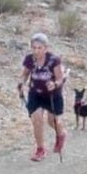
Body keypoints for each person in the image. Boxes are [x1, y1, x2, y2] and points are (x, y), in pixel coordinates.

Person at [18, 32, 67, 162]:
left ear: (45, 48)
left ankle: (61, 134)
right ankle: (40, 149)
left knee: (53, 121)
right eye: (34, 47)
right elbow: (25, 74)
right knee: (37, 119)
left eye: (39, 48)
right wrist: (21, 83)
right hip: (35, 94)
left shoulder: (53, 60)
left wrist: (54, 84)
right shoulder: (30, 59)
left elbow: (60, 78)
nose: (36, 50)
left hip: (52, 94)